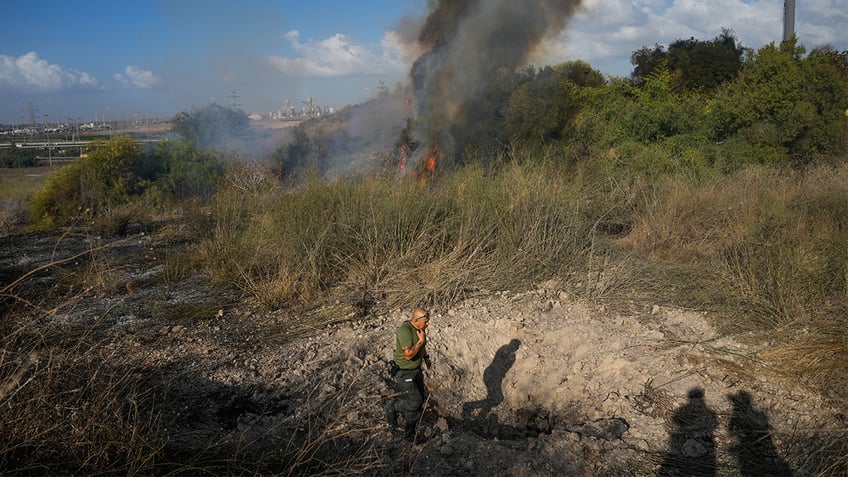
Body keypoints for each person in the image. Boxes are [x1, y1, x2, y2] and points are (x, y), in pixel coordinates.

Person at [385, 307, 432, 442]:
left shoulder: (420, 329)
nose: (427, 325)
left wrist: (426, 358)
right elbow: (408, 355)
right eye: (425, 322)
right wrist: (420, 341)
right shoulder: (404, 331)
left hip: (416, 370)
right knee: (415, 401)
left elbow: (422, 347)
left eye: (428, 322)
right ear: (416, 320)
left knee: (419, 399)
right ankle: (393, 407)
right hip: (404, 372)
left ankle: (409, 431)